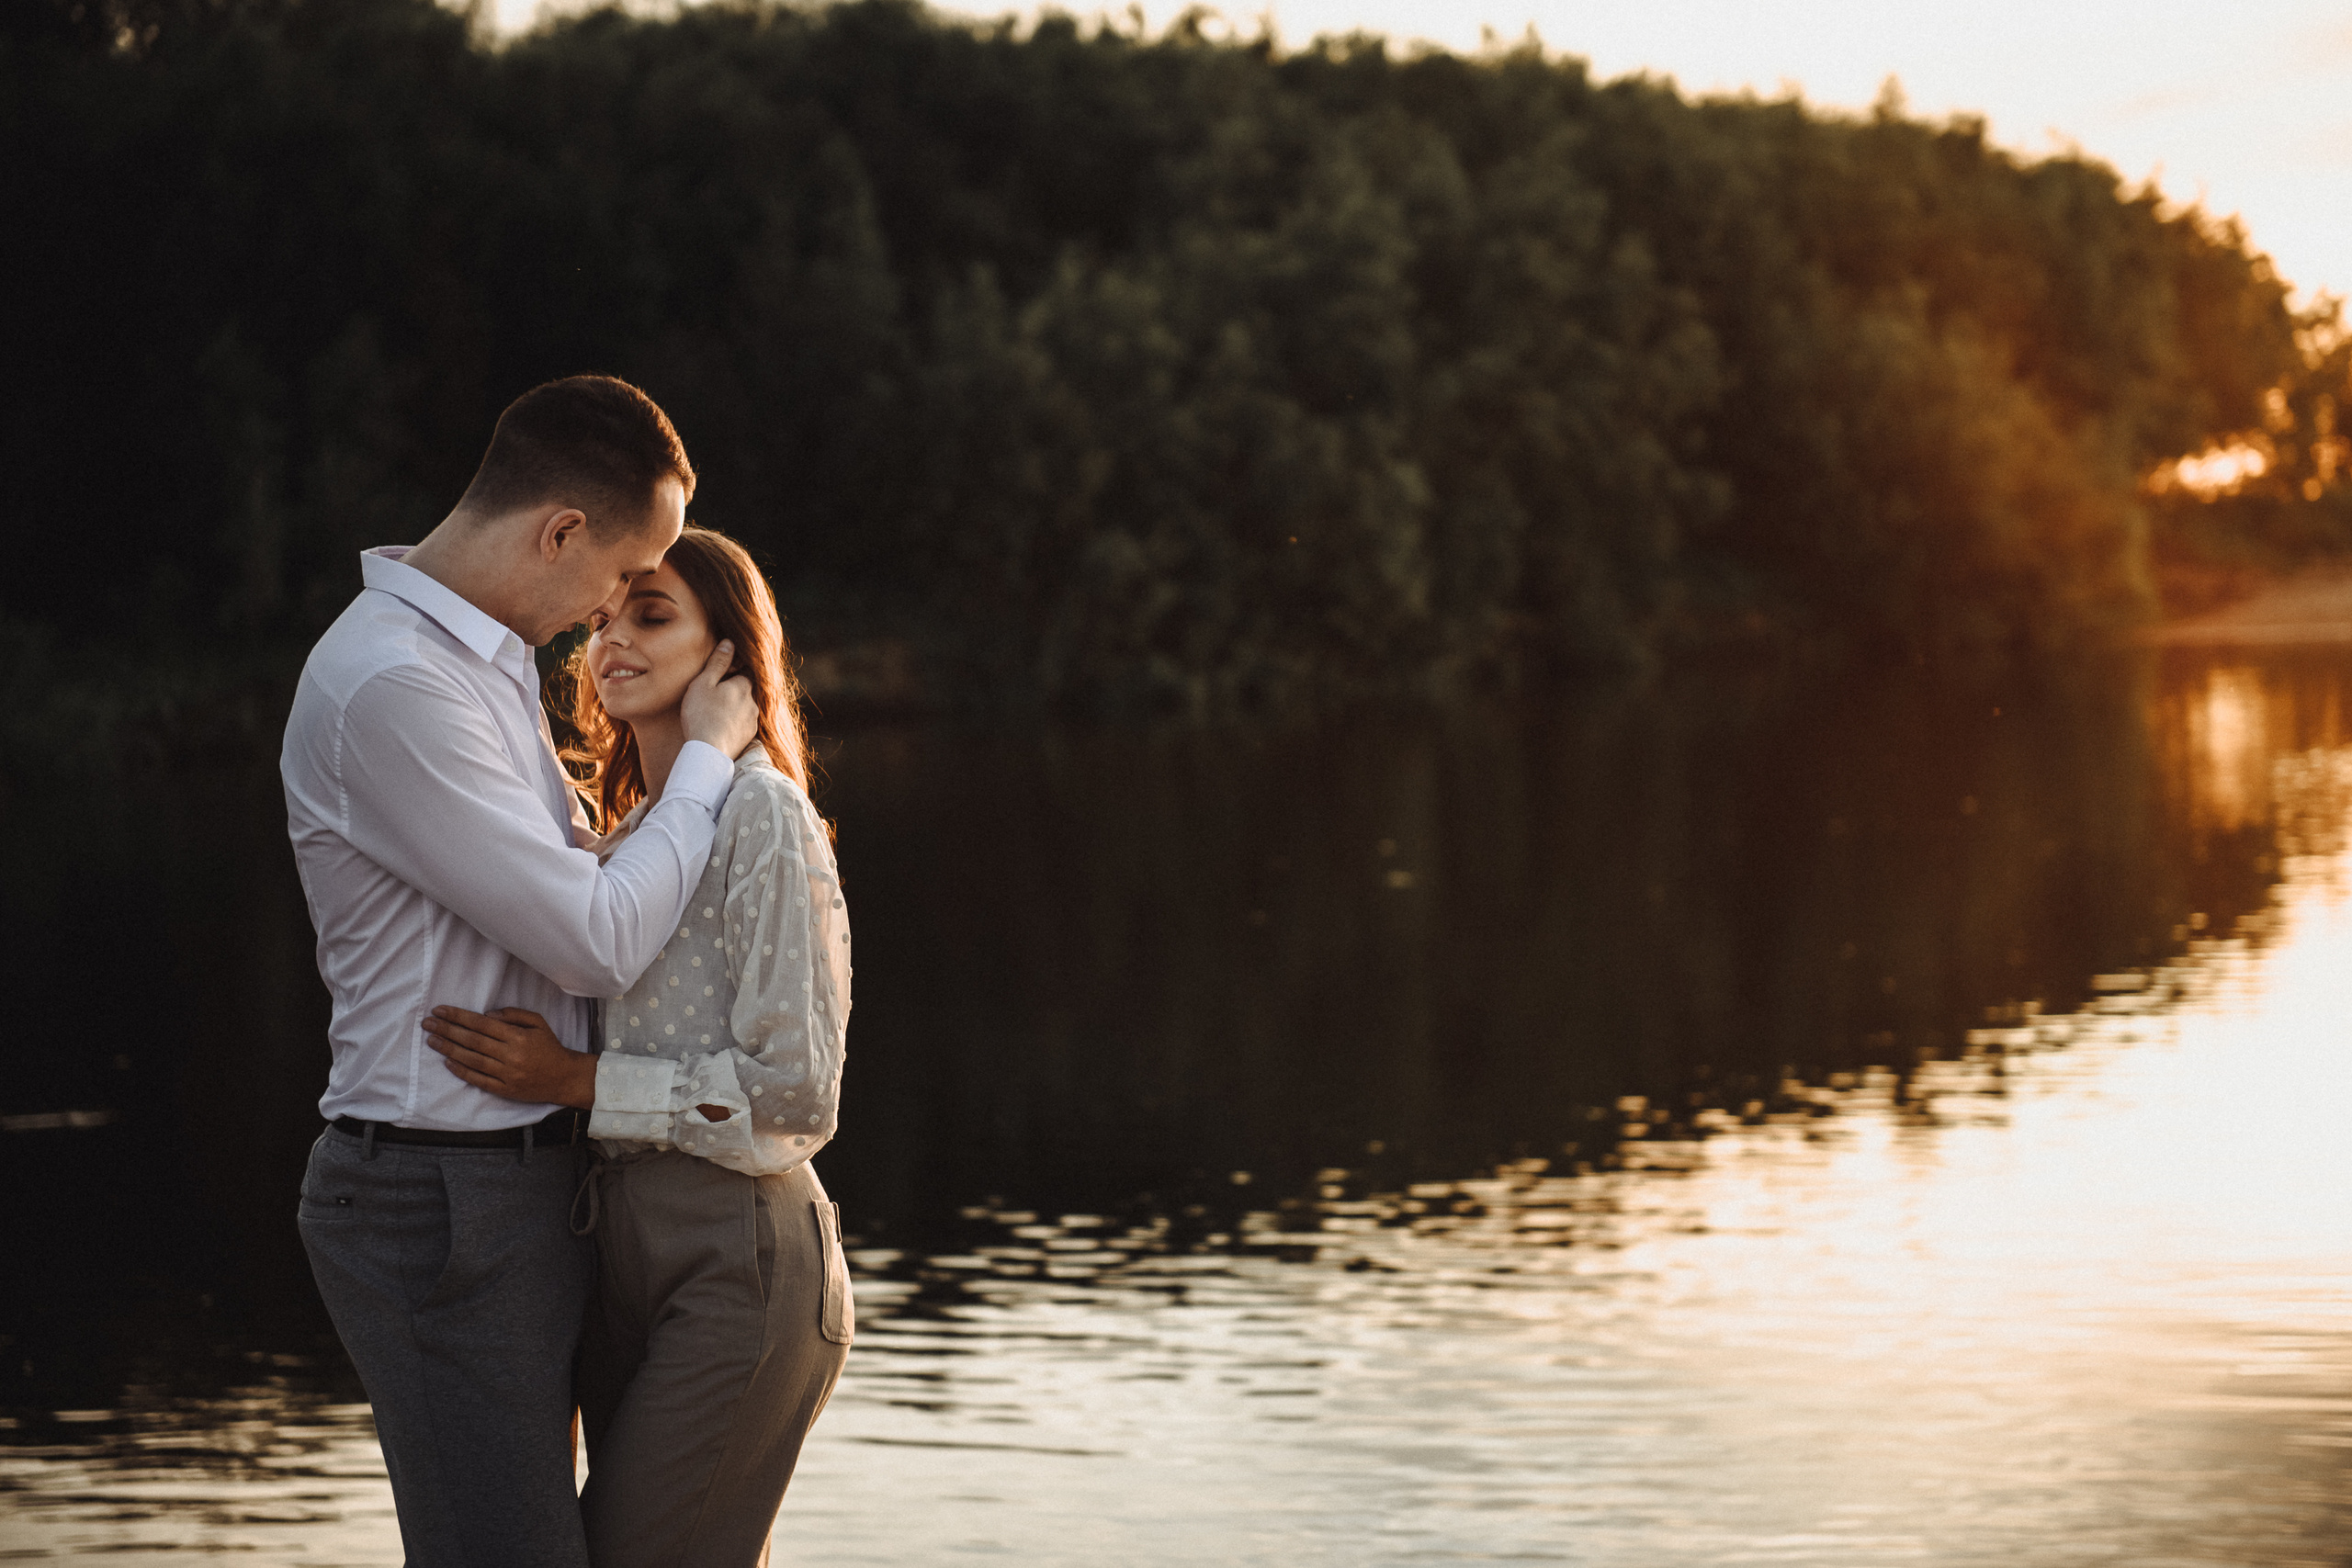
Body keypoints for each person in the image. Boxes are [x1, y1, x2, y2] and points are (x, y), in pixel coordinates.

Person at [282, 376, 760, 1568]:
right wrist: (707, 762)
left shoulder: (483, 663)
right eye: (621, 573)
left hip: (524, 1184)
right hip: (440, 1201)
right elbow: (594, 937)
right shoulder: (397, 684)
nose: (610, 611)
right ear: (560, 531)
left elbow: (573, 894)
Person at [420, 525, 853, 1568]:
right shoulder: (629, 836)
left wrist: (577, 1081)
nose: (612, 639)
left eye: (652, 616)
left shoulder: (762, 813)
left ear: (727, 655)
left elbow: (796, 1095)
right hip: (615, 1259)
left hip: (738, 1257)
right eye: (606, 617)